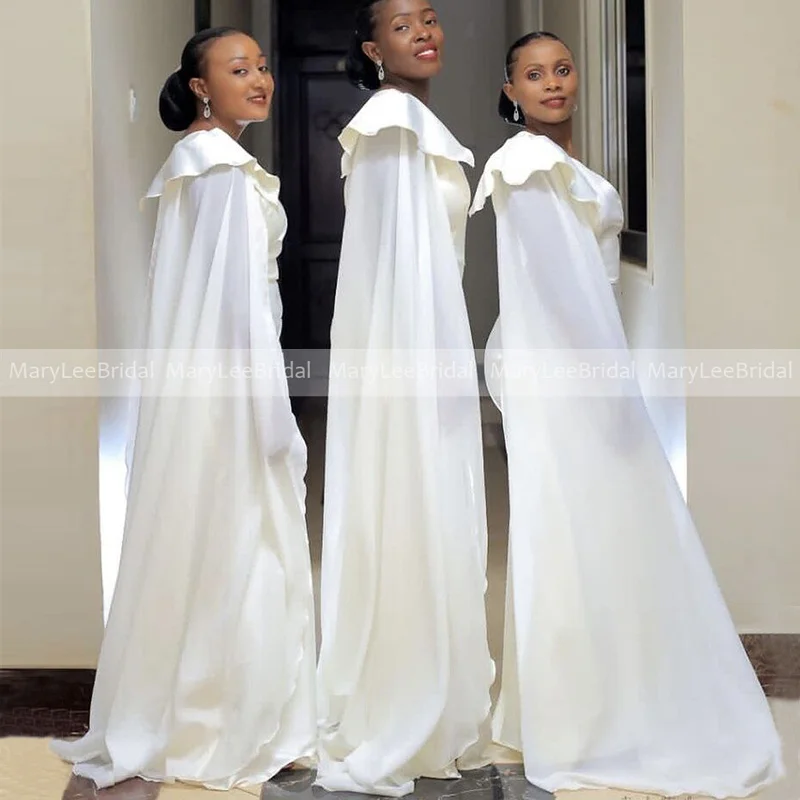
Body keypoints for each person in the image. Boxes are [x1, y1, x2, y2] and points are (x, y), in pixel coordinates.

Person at [470, 31, 785, 798]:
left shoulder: (561, 164)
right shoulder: (526, 163)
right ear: (509, 91)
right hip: (562, 369)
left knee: (594, 532)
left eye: (563, 69)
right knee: (578, 532)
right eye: (533, 75)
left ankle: (591, 704)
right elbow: (559, 291)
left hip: (574, 361)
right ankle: (579, 717)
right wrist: (612, 389)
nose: (552, 84)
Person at [50, 27, 317, 789]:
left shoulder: (195, 161)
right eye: (238, 70)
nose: (259, 78)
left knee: (203, 539)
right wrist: (274, 421)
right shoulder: (223, 169)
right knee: (245, 545)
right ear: (201, 86)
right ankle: (232, 715)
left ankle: (196, 704)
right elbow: (235, 308)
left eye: (262, 65)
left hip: (198, 388)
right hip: (234, 391)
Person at [315, 0, 494, 795]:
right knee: (414, 507)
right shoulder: (392, 122)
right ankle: (404, 697)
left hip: (429, 348)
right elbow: (388, 271)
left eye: (430, 17)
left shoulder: (410, 121)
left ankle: (428, 690)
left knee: (433, 514)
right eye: (401, 24)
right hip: (408, 356)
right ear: (372, 48)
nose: (424, 31)